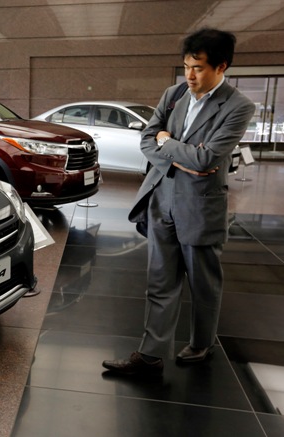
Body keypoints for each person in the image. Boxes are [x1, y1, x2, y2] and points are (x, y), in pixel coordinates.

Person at [102, 28, 255, 376]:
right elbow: (145, 140)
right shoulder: (173, 94)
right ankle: (151, 354)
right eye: (186, 66)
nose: (189, 75)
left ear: (221, 67)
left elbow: (208, 160)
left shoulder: (238, 106)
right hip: (161, 201)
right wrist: (182, 156)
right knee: (159, 281)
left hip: (201, 208)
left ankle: (202, 344)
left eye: (198, 68)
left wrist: (167, 143)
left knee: (204, 283)